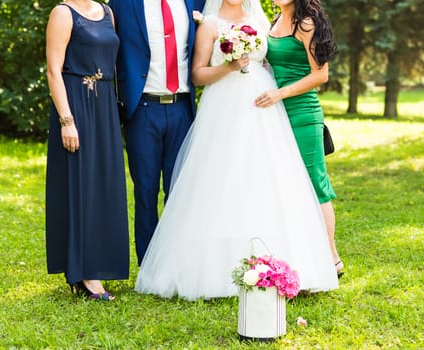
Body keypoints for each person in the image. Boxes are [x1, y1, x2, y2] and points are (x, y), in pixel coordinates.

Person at [135, 0, 339, 301]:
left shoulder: (259, 18)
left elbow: (276, 61)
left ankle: (296, 259)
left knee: (272, 181)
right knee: (224, 179)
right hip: (225, 106)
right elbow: (198, 75)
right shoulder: (210, 24)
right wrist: (229, 66)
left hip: (265, 105)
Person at [108, 0, 206, 265]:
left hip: (183, 108)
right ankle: (149, 264)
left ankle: (178, 261)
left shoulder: (195, 2)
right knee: (146, 191)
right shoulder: (121, 4)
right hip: (142, 109)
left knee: (180, 189)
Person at [45, 0, 129, 301]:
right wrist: (67, 120)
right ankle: (84, 274)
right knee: (80, 185)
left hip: (104, 103)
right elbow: (54, 70)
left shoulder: (108, 12)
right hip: (76, 104)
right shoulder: (63, 13)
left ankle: (102, 264)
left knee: (105, 186)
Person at [255, 0, 344, 276]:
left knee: (315, 183)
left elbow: (321, 74)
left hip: (303, 113)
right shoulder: (275, 22)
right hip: (276, 115)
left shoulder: (305, 23)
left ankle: (332, 258)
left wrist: (280, 94)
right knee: (288, 183)